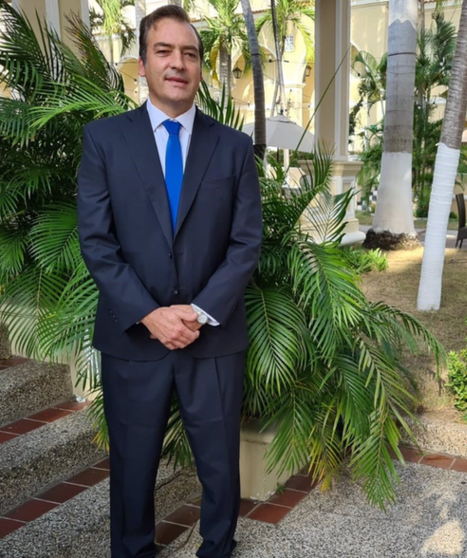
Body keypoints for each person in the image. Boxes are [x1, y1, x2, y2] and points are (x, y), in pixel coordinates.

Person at [77, 6, 262, 558]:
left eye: (190, 53)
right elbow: (97, 241)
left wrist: (199, 312)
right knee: (133, 466)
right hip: (135, 338)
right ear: (142, 64)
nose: (178, 64)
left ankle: (218, 549)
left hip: (214, 338)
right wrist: (152, 314)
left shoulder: (232, 147)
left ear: (201, 67)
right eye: (165, 51)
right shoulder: (105, 141)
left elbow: (245, 242)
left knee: (219, 464)